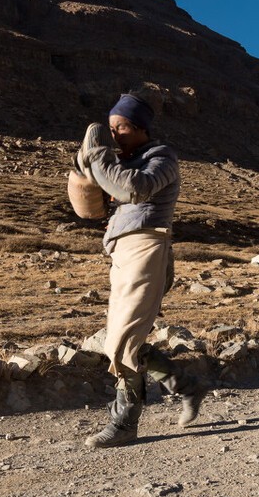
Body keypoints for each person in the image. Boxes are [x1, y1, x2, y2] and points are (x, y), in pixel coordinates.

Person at [76, 90, 208, 448]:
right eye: (110, 127)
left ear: (139, 128)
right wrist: (86, 167)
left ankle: (124, 423)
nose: (113, 134)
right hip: (122, 255)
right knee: (121, 339)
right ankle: (186, 385)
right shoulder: (123, 162)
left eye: (119, 127)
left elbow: (135, 189)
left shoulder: (161, 158)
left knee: (121, 341)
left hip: (148, 249)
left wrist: (99, 156)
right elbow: (91, 201)